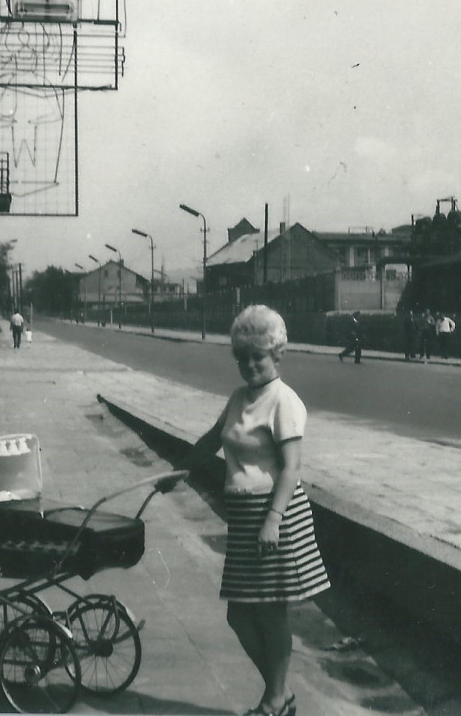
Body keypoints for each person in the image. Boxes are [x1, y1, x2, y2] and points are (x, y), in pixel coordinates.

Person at [188, 305, 330, 716]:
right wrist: (179, 469)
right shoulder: (238, 398)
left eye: (257, 357)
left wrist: (273, 520)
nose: (248, 365)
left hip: (275, 517)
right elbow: (213, 439)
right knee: (239, 615)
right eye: (241, 357)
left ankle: (274, 699)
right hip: (243, 517)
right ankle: (279, 693)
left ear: (276, 355)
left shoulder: (284, 401)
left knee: (269, 612)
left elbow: (291, 468)